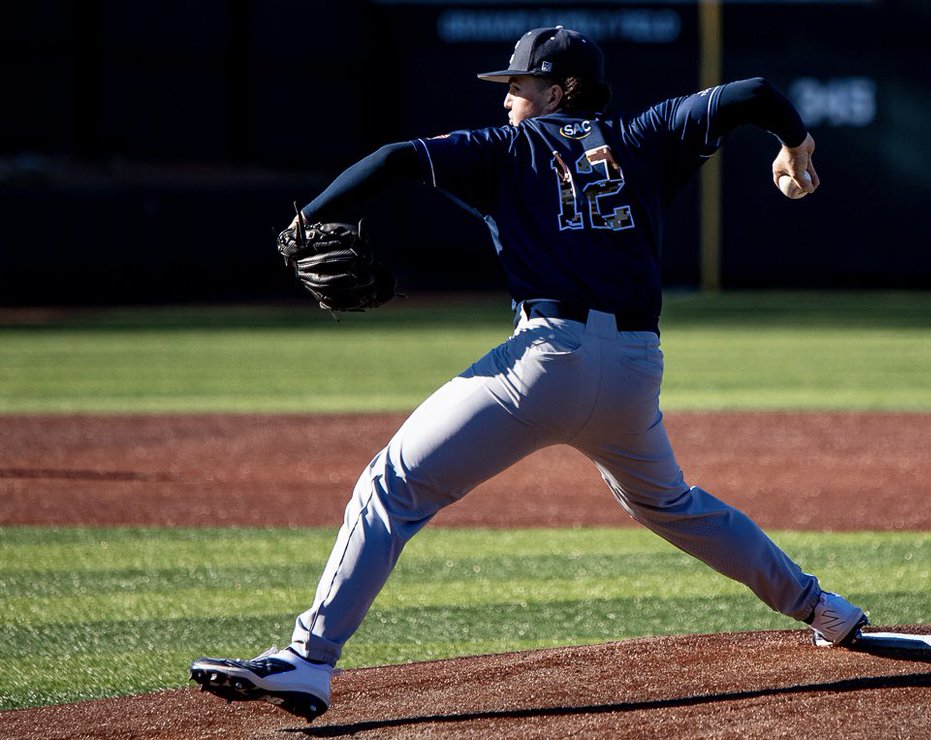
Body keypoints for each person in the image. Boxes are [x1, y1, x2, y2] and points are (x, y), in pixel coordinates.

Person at [190, 26, 867, 722]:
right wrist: (796, 146)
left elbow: (396, 159)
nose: (507, 100)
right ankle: (823, 608)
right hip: (634, 367)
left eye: (517, 86)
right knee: (672, 505)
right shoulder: (648, 135)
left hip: (545, 360)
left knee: (390, 489)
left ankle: (309, 660)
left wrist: (306, 221)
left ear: (559, 90)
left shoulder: (506, 148)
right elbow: (753, 93)